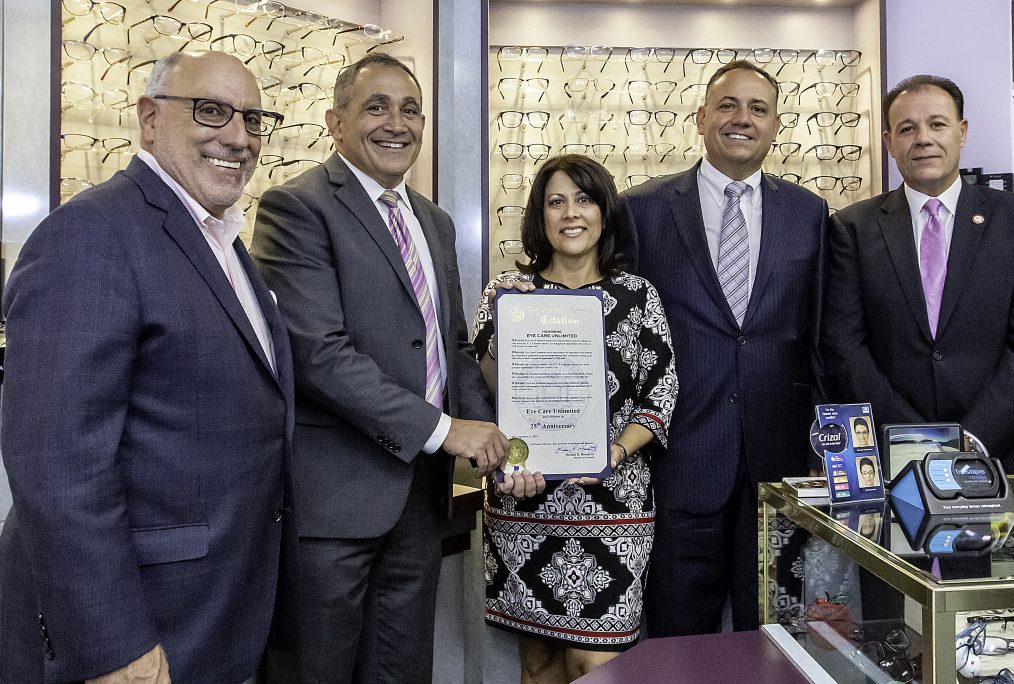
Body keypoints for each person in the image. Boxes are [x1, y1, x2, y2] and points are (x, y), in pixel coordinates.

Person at [0, 51, 292, 683]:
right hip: (136, 636)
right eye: (211, 111)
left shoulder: (223, 242)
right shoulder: (90, 235)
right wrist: (114, 647)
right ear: (150, 119)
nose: (237, 137)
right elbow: (57, 469)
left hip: (212, 614)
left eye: (251, 119)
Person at [250, 53, 524, 682]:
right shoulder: (297, 208)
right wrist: (445, 431)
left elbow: (451, 349)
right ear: (335, 122)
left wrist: (508, 452)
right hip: (334, 503)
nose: (395, 123)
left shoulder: (433, 221)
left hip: (420, 502)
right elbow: (319, 352)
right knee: (318, 670)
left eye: (409, 109)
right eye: (375, 107)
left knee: (401, 669)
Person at [622, 60, 829, 636]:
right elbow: (623, 337)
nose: (743, 119)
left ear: (776, 126)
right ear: (701, 119)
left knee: (778, 638)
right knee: (677, 638)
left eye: (758, 109)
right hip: (680, 457)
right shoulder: (642, 210)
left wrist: (822, 447)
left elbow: (818, 339)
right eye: (729, 106)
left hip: (781, 463)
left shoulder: (809, 215)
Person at [473, 154, 678, 680]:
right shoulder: (504, 293)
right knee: (538, 664)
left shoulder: (638, 296)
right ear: (539, 217)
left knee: (596, 666)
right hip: (526, 502)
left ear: (605, 213)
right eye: (556, 201)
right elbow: (490, 395)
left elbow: (661, 397)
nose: (571, 213)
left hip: (615, 510)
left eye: (584, 200)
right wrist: (508, 327)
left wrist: (614, 450)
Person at [822, 74, 1014, 474]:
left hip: (1001, 457)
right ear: (889, 142)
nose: (923, 139)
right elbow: (844, 346)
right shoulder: (853, 227)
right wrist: (916, 442)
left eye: (937, 124)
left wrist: (976, 437)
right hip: (892, 457)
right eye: (907, 129)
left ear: (962, 132)